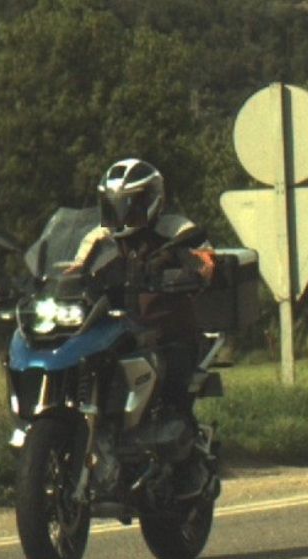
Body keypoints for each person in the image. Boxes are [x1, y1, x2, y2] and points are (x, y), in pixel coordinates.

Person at [73, 158, 213, 498]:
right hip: (115, 330)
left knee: (175, 387)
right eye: (114, 204)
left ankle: (188, 461)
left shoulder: (176, 229)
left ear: (152, 200)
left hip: (168, 331)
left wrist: (188, 271)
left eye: (130, 204)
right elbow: (73, 268)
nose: (121, 214)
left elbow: (206, 259)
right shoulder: (99, 236)